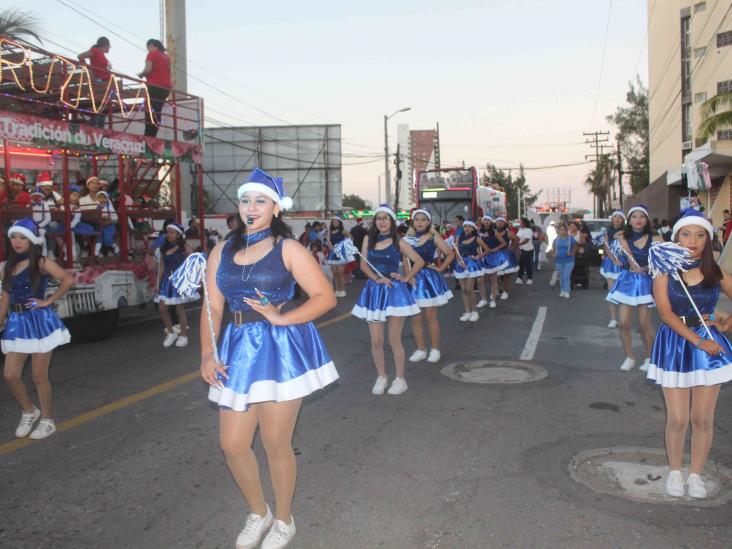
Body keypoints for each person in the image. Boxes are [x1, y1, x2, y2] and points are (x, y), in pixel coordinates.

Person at [201, 168, 338, 548]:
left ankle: (283, 520)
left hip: (280, 350)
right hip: (237, 348)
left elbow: (325, 297)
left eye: (260, 201)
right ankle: (257, 511)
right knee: (232, 443)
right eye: (245, 200)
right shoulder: (221, 250)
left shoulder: (288, 248)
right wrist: (207, 353)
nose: (251, 207)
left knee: (276, 442)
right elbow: (212, 307)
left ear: (276, 208)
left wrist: (281, 317)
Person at [646, 209, 732, 499]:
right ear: (676, 237)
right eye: (686, 233)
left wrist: (724, 323)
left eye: (699, 234)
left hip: (710, 348)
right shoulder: (664, 271)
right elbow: (666, 314)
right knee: (679, 418)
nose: (693, 240)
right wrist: (697, 340)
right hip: (676, 344)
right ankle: (674, 470)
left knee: (702, 419)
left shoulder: (715, 272)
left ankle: (695, 474)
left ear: (708, 240)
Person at [0, 219, 73, 440]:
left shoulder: (40, 262)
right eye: (14, 237)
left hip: (39, 321)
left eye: (22, 237)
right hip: (16, 322)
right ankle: (29, 411)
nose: (17, 242)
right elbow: (5, 298)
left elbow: (67, 279)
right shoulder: (6, 266)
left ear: (31, 240)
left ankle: (48, 420)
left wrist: (48, 300)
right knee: (10, 375)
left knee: (39, 376)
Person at [352, 204, 424, 395]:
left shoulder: (398, 241)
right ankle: (381, 376)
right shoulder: (369, 238)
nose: (382, 221)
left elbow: (419, 261)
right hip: (374, 291)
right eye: (379, 218)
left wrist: (405, 277)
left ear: (392, 221)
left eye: (386, 218)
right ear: (374, 221)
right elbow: (363, 265)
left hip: (394, 292)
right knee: (376, 341)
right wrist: (377, 279)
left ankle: (400, 379)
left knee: (394, 339)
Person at [606, 205, 656, 372]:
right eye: (635, 216)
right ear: (630, 219)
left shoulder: (655, 238)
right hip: (627, 281)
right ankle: (630, 356)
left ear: (647, 219)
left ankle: (650, 358)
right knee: (623, 323)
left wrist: (648, 268)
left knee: (644, 325)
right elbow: (610, 253)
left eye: (642, 216)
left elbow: (662, 261)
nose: (638, 220)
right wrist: (617, 261)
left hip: (645, 283)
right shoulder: (622, 237)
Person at [406, 209, 454, 363]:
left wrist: (441, 268)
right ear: (413, 222)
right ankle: (421, 349)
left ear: (428, 222)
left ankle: (435, 349)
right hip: (413, 280)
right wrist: (409, 276)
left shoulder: (434, 237)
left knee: (430, 317)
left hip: (429, 279)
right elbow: (405, 259)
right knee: (415, 318)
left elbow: (450, 253)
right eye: (417, 219)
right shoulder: (407, 239)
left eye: (423, 219)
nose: (419, 222)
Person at [155, 223, 197, 347]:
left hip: (179, 281)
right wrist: (158, 284)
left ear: (178, 234)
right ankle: (171, 332)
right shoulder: (163, 248)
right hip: (166, 282)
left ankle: (183, 335)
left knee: (179, 309)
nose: (169, 234)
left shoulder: (183, 246)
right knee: (162, 308)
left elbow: (195, 258)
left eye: (172, 232)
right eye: (168, 232)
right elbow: (161, 267)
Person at [453, 220, 490, 322]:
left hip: (472, 265)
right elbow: (456, 250)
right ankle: (467, 312)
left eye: (469, 227)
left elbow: (487, 249)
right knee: (464, 290)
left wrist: (478, 256)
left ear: (473, 228)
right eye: (465, 226)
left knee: (469, 289)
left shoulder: (476, 238)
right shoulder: (458, 237)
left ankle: (474, 312)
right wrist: (459, 261)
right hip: (460, 264)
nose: (467, 229)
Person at [138, 39, 171, 138]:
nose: (148, 50)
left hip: (154, 86)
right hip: (165, 88)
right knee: (157, 110)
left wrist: (141, 74)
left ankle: (148, 134)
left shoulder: (152, 54)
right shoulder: (166, 57)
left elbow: (148, 69)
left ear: (152, 45)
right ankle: (153, 133)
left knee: (150, 110)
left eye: (148, 47)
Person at [600, 211, 627, 328]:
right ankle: (613, 319)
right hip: (611, 263)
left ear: (623, 220)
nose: (617, 219)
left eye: (619, 217)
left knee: (623, 293)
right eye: (615, 217)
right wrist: (614, 259)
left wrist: (624, 261)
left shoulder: (627, 232)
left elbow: (629, 246)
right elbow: (606, 247)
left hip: (624, 263)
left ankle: (623, 319)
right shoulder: (607, 231)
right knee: (612, 293)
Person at [78, 37, 112, 128]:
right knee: (101, 107)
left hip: (105, 82)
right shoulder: (95, 51)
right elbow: (80, 56)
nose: (109, 48)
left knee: (103, 107)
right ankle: (94, 125)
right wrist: (88, 69)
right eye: (109, 46)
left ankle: (96, 125)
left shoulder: (101, 53)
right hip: (100, 81)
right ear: (105, 45)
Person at [478, 216, 509, 308]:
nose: (486, 222)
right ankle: (483, 299)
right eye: (485, 220)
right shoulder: (479, 233)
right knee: (480, 280)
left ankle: (493, 300)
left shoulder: (494, 232)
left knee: (493, 279)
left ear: (491, 222)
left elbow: (504, 243)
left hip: (493, 257)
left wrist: (495, 249)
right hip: (483, 256)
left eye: (488, 220)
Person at [550, 222, 576, 298]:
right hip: (559, 260)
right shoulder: (556, 239)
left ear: (566, 230)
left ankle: (567, 291)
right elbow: (553, 248)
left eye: (563, 230)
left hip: (569, 260)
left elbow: (575, 247)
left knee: (566, 276)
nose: (562, 231)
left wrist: (571, 253)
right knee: (561, 276)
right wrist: (553, 254)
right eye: (560, 230)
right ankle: (562, 290)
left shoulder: (570, 238)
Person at [495, 217, 518, 300]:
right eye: (498, 222)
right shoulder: (492, 232)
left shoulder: (509, 233)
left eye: (501, 222)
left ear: (505, 224)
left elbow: (516, 239)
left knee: (506, 275)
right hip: (494, 255)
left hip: (505, 254)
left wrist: (512, 247)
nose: (499, 223)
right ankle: (496, 289)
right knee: (495, 275)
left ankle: (506, 291)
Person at [325, 217, 349, 297]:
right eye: (334, 221)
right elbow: (327, 240)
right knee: (334, 273)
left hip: (341, 253)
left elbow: (351, 238)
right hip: (332, 253)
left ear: (340, 222)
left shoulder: (343, 231)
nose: (335, 222)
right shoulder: (329, 231)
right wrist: (331, 247)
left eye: (337, 221)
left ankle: (342, 290)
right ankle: (337, 290)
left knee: (340, 272)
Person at [516, 217, 535, 285]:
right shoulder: (520, 230)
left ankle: (529, 278)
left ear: (524, 223)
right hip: (521, 249)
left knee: (527, 264)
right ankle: (519, 278)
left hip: (528, 249)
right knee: (520, 264)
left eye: (520, 222)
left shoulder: (529, 230)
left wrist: (518, 243)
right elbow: (517, 238)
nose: (519, 223)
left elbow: (526, 240)